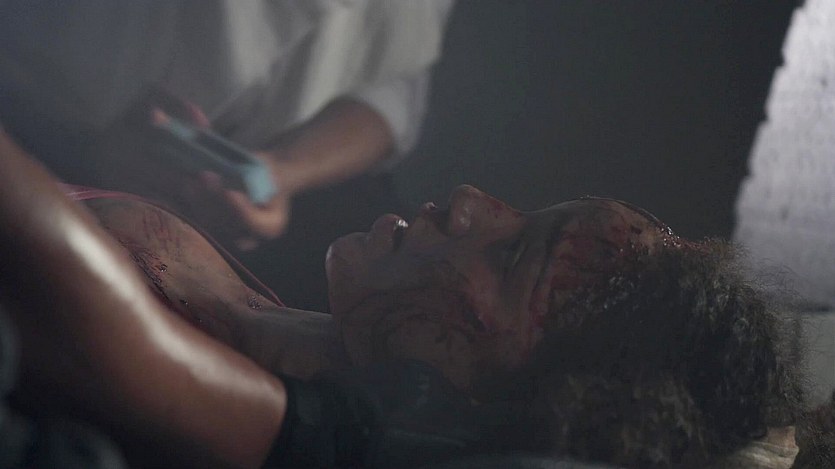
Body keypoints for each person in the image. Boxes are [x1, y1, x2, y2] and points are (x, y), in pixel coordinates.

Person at [0, 130, 805, 468]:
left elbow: (116, 345)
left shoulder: (359, 427)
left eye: (512, 252)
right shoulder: (278, 323)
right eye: (520, 214)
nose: (469, 202)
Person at [0, 0, 454, 250]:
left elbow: (398, 84)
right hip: (32, 138)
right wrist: (81, 140)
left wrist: (280, 171)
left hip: (209, 219)